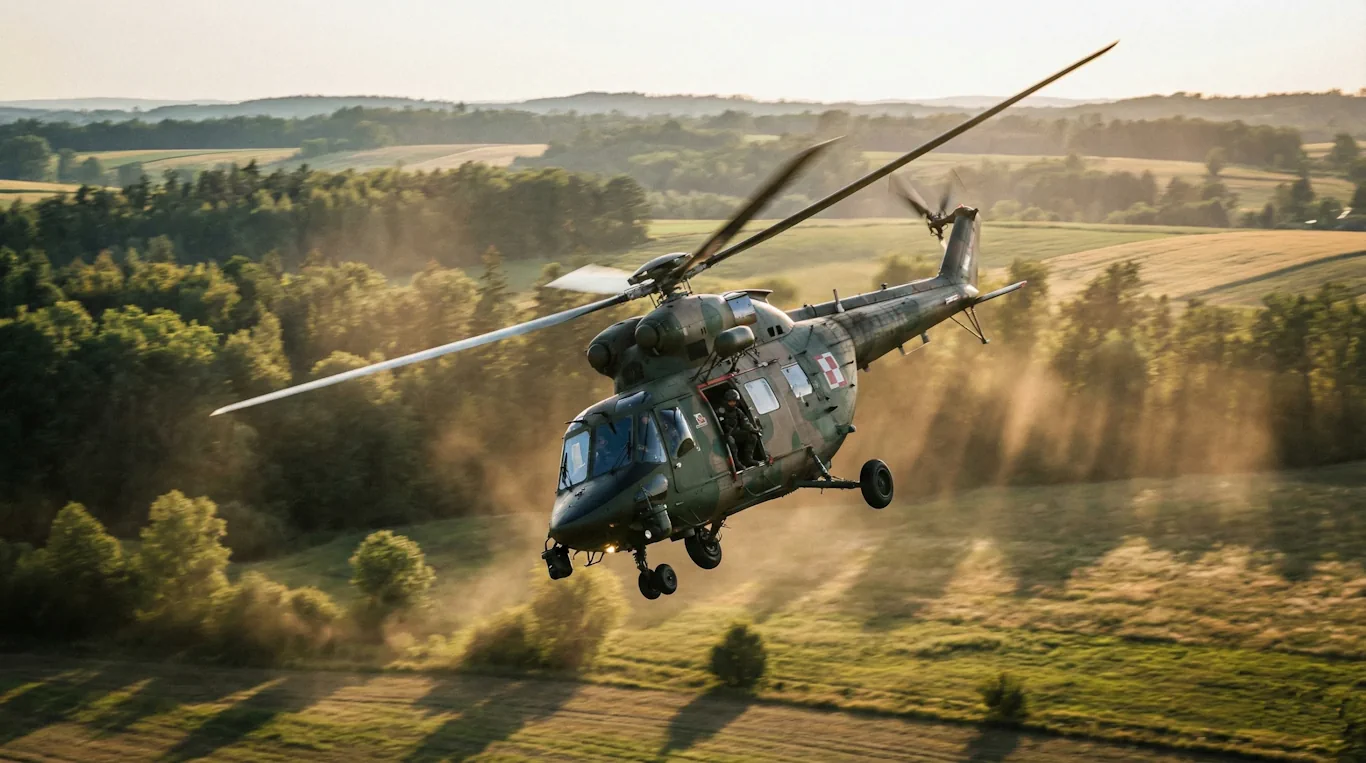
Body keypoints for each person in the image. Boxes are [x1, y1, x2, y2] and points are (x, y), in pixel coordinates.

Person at [717, 388, 768, 468]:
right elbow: (719, 424)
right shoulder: (721, 410)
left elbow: (745, 422)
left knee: (752, 436)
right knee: (731, 442)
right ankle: (736, 463)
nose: (732, 403)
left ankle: (748, 459)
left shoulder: (737, 411)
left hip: (735, 433)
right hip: (725, 435)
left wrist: (754, 430)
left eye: (734, 401)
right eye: (731, 401)